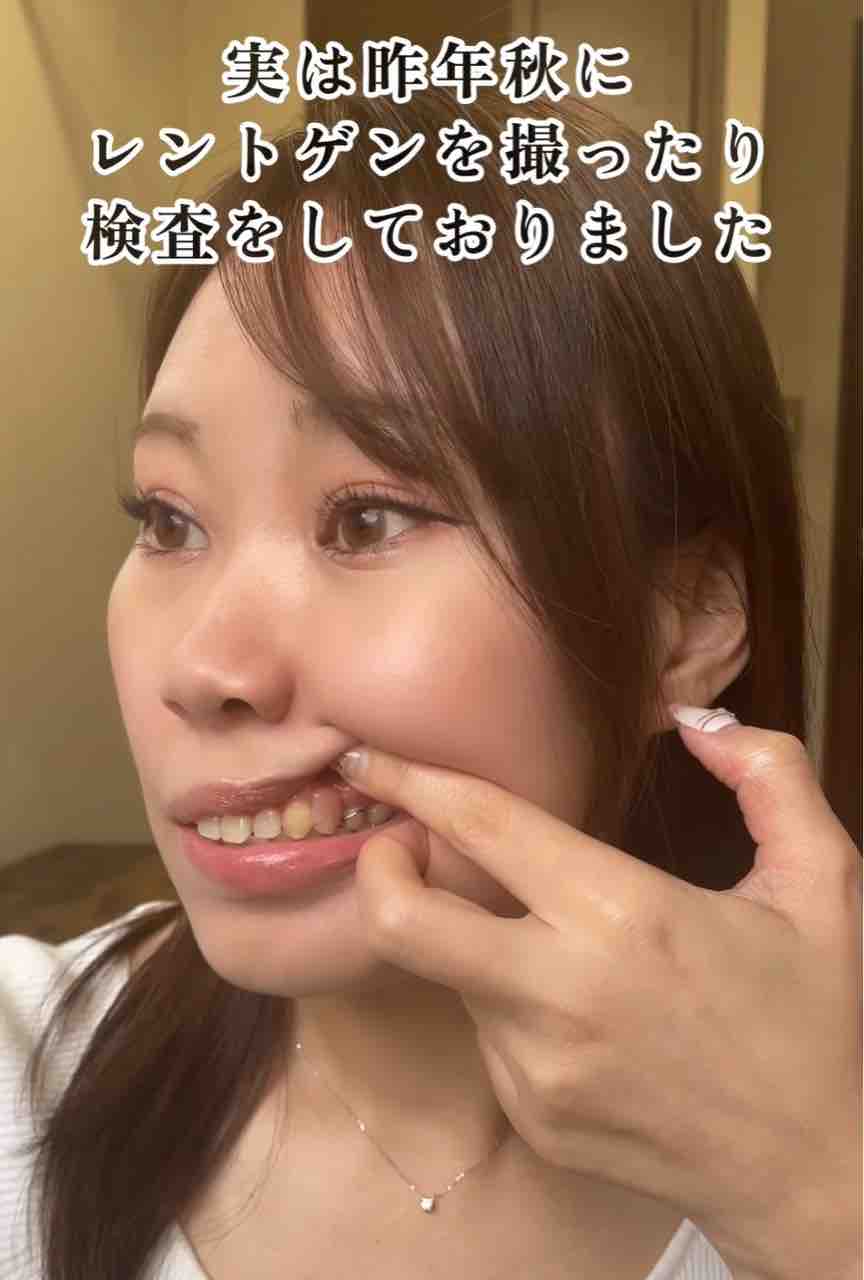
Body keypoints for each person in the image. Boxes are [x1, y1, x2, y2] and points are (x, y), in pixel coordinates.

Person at [2, 86, 854, 1280]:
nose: (201, 669)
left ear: (685, 618)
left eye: (365, 518)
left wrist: (818, 1185)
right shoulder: (25, 1065)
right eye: (168, 518)